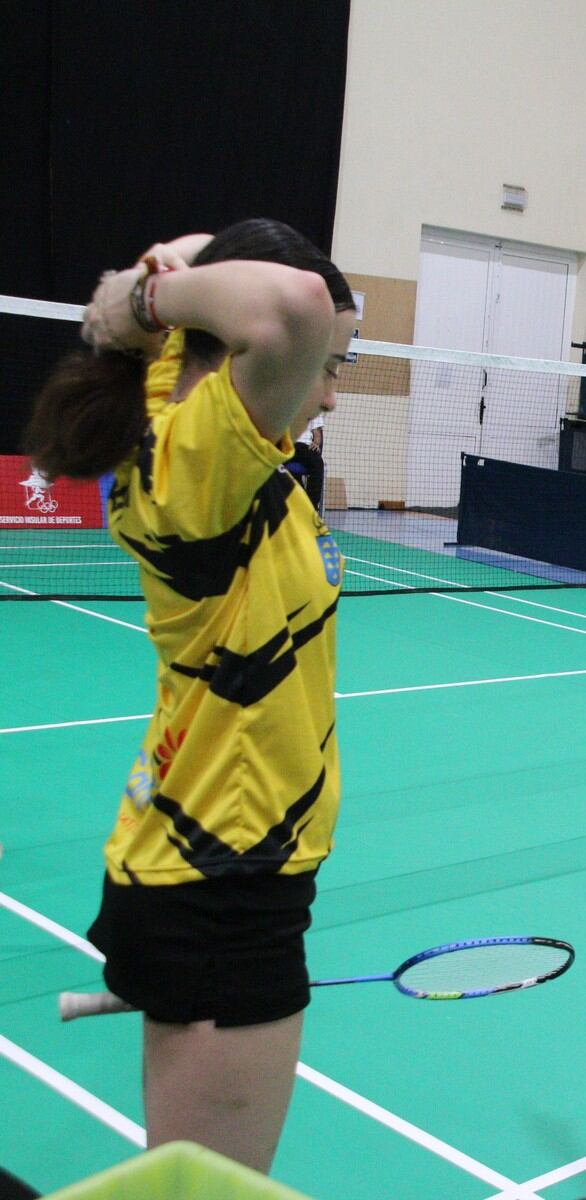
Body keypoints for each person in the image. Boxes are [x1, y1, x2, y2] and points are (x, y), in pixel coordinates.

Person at [22, 220, 357, 1174]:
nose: (329, 390)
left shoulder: (178, 403)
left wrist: (151, 290)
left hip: (206, 851)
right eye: (329, 365)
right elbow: (284, 302)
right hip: (224, 884)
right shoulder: (201, 466)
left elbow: (211, 248)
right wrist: (134, 300)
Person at [289, 413, 326, 511]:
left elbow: (317, 435)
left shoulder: (313, 408)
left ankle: (311, 508)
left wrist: (316, 443)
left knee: (318, 463)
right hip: (287, 445)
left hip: (304, 446)